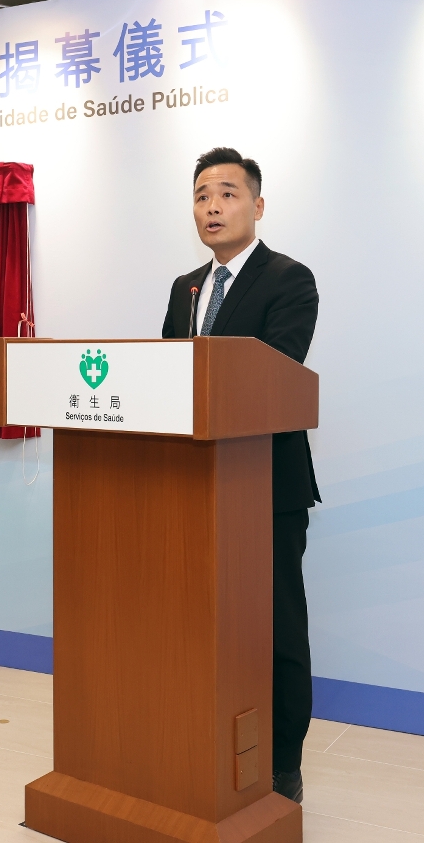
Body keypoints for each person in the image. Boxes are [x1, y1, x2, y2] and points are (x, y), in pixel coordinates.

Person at [161, 147, 321, 804]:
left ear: (257, 205)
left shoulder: (289, 279)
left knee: (275, 629)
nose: (212, 207)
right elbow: (167, 380)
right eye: (202, 195)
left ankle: (282, 763)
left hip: (266, 487)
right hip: (196, 487)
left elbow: (275, 372)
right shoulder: (185, 288)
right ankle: (206, 746)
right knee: (203, 627)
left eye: (227, 194)